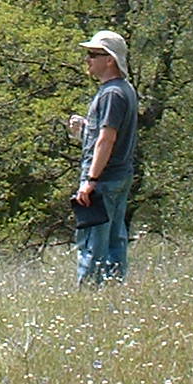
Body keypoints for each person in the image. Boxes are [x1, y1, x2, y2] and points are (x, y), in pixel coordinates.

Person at [68, 29, 138, 283]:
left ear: (109, 60)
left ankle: (88, 296)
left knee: (92, 244)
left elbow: (107, 139)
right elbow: (108, 135)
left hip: (103, 180)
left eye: (93, 54)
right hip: (119, 175)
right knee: (114, 241)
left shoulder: (111, 94)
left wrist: (91, 180)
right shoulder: (124, 90)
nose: (87, 59)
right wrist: (86, 129)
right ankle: (113, 291)